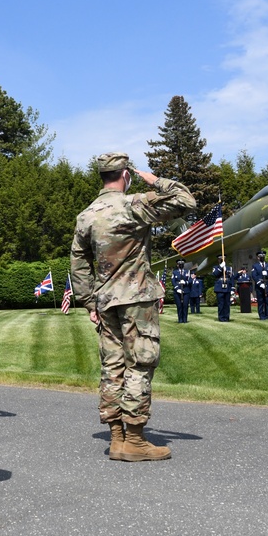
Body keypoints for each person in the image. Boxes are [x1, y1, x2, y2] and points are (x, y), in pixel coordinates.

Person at [70, 152, 196, 463]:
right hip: (136, 298)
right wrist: (155, 180)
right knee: (140, 363)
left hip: (105, 301)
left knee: (112, 367)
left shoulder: (86, 215)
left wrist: (88, 301)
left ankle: (116, 438)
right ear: (125, 174)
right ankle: (135, 439)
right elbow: (186, 201)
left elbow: (78, 263)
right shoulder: (134, 204)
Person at [251, 250, 268, 320]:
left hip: (267, 284)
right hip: (260, 286)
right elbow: (254, 276)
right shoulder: (255, 266)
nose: (262, 258)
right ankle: (261, 316)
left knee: (267, 301)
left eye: (263, 256)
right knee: (261, 301)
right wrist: (259, 283)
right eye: (260, 256)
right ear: (258, 257)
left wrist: (267, 274)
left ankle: (267, 315)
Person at [171, 259, 191, 323]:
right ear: (177, 265)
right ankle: (180, 319)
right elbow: (173, 281)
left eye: (182, 264)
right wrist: (177, 289)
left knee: (185, 305)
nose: (181, 265)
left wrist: (185, 282)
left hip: (186, 291)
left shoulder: (187, 271)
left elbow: (190, 280)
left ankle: (185, 319)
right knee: (179, 306)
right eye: (179, 264)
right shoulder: (174, 272)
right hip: (177, 291)